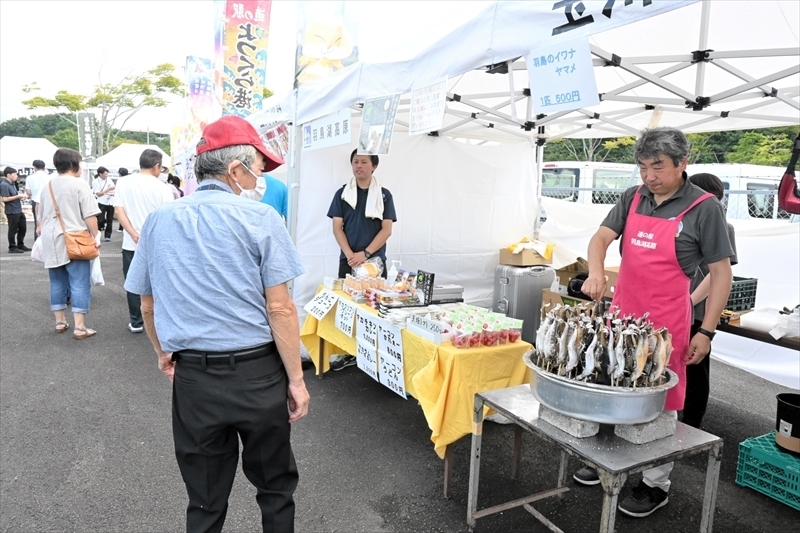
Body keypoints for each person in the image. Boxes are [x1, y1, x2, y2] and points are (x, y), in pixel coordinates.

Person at [124, 115, 308, 533]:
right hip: (259, 375)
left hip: (195, 378)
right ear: (235, 169)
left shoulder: (159, 221)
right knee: (276, 488)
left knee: (205, 499)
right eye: (258, 167)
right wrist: (295, 380)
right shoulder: (260, 219)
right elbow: (280, 308)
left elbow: (147, 304)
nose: (259, 177)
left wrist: (162, 353)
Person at [575, 127, 734, 518]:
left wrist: (707, 331)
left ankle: (653, 483)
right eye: (643, 167)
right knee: (614, 385)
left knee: (661, 403)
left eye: (658, 167)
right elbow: (600, 238)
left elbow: (721, 272)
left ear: (682, 164)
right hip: (623, 311)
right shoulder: (633, 197)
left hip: (666, 322)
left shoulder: (703, 207)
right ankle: (607, 460)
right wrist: (596, 272)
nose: (649, 176)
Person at [326, 149, 396, 371]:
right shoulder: (343, 194)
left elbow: (386, 230)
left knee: (373, 308)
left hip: (373, 263)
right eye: (355, 162)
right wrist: (349, 254)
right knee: (347, 307)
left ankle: (373, 353)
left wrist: (365, 254)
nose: (358, 166)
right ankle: (348, 352)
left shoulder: (384, 195)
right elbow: (337, 227)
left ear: (374, 166)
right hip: (348, 260)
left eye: (364, 162)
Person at [683, 173, 738, 429]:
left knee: (696, 370)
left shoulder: (723, 226)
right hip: (681, 307)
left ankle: (692, 424)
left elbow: (719, 275)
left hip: (697, 312)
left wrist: (689, 301)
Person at [36, 148, 101, 339]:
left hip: (50, 239)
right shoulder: (80, 184)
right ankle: (80, 328)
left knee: (57, 281)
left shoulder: (47, 186)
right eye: (80, 163)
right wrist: (96, 236)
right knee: (79, 282)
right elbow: (89, 215)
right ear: (73, 164)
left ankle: (60, 322)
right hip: (75, 237)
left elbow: (40, 215)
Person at [113, 150, 174, 334]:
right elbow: (166, 218)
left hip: (131, 244)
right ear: (156, 166)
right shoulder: (163, 188)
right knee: (158, 282)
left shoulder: (123, 182)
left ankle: (136, 321)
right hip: (157, 243)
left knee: (133, 283)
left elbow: (118, 211)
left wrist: (133, 233)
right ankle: (157, 319)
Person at [1, 167, 29, 253]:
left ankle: (20, 244)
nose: (16, 176)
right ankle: (12, 247)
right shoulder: (4, 185)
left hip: (18, 209)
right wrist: (18, 196)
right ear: (8, 175)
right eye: (15, 174)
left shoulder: (12, 183)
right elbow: (5, 199)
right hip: (11, 211)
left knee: (23, 228)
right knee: (13, 229)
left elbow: (12, 196)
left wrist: (20, 198)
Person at [25, 159, 49, 240]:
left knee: (37, 222)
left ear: (34, 167)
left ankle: (38, 241)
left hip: (35, 201)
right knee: (48, 221)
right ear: (44, 167)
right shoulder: (48, 177)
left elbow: (28, 192)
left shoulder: (30, 178)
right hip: (48, 201)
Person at [91, 166, 116, 242]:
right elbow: (98, 194)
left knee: (110, 219)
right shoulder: (95, 182)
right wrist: (108, 189)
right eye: (105, 174)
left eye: (107, 174)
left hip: (110, 201)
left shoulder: (109, 180)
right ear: (100, 174)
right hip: (101, 201)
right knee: (100, 220)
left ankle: (108, 235)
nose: (106, 176)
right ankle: (97, 233)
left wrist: (110, 193)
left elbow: (113, 188)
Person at [115, 168, 128, 232]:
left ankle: (121, 227)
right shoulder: (129, 180)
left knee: (121, 213)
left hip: (122, 200)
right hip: (128, 199)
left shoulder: (120, 180)